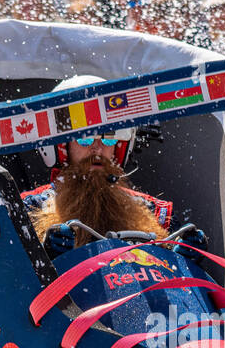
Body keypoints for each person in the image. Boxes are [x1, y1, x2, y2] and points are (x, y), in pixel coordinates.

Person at [27, 76, 172, 254]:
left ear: (120, 147)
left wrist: (186, 255)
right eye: (85, 139)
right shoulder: (29, 208)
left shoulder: (155, 212)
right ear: (61, 147)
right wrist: (40, 256)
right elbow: (5, 266)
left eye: (109, 139)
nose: (97, 149)